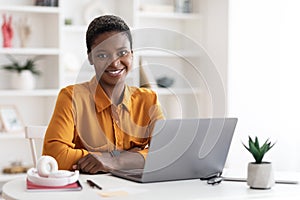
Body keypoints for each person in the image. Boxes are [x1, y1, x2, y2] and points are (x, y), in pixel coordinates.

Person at [42, 15, 164, 174]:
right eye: (102, 55)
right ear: (91, 58)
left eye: (122, 52)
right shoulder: (71, 98)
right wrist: (133, 158)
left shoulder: (148, 100)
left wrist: (115, 160)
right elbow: (54, 156)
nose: (114, 62)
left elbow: (164, 154)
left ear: (132, 54)